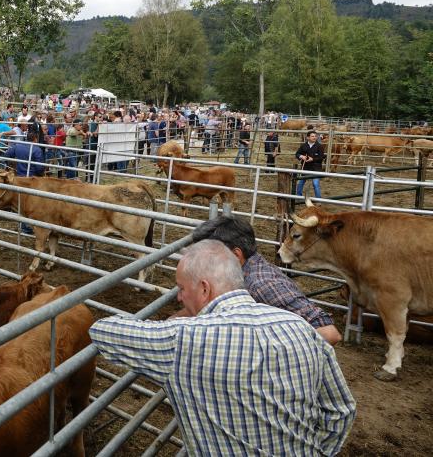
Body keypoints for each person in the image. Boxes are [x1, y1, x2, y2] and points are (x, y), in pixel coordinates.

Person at [89, 239, 356, 456]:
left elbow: (103, 331)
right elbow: (341, 410)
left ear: (204, 289)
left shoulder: (182, 340)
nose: (179, 297)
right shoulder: (299, 327)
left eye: (181, 289)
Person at [190, 215, 342, 345]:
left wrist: (269, 356)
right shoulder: (235, 273)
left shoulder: (262, 284)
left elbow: (329, 333)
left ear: (236, 255)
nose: (202, 261)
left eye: (208, 255)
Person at [296, 130, 325, 198]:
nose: (314, 137)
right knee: (300, 183)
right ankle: (298, 197)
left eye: (315, 136)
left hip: (316, 168)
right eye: (312, 136)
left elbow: (321, 157)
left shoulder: (319, 146)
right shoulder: (303, 145)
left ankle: (318, 200)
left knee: (315, 184)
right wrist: (302, 156)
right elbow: (297, 154)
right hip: (305, 167)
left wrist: (313, 159)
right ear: (308, 137)